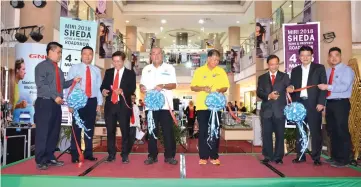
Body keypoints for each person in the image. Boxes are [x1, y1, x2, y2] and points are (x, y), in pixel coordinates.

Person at [34, 42, 81, 170]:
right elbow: (41, 84)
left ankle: (49, 156)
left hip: (56, 104)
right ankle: (40, 159)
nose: (60, 55)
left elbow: (62, 85)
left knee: (54, 132)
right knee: (43, 132)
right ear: (51, 51)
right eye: (59, 52)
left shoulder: (58, 69)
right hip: (45, 102)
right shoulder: (41, 67)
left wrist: (73, 81)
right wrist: (55, 97)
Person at [287, 45, 327, 166]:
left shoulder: (319, 68)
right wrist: (290, 87)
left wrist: (321, 103)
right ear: (299, 57)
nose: (305, 57)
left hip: (314, 104)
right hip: (300, 105)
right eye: (302, 55)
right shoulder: (295, 70)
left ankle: (316, 158)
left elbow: (323, 87)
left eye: (307, 55)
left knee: (315, 132)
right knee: (300, 131)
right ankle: (301, 156)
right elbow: (293, 85)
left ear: (312, 56)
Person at [190, 49, 230, 165]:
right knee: (203, 131)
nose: (216, 62)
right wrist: (203, 88)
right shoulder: (199, 71)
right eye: (214, 59)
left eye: (218, 60)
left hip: (216, 107)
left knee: (215, 131)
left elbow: (225, 87)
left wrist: (219, 90)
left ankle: (214, 156)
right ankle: (203, 156)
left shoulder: (221, 71)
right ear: (208, 59)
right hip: (202, 107)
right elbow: (193, 87)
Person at [140, 47, 178, 165]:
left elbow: (173, 85)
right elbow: (141, 84)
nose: (156, 56)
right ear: (150, 56)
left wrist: (163, 85)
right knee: (152, 131)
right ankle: (152, 156)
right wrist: (141, 88)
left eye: (158, 53)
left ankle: (169, 156)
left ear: (162, 55)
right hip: (151, 106)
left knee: (167, 131)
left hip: (165, 106)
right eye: (153, 54)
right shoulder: (146, 69)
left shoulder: (169, 68)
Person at [318, 47, 355, 167]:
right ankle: (335, 157)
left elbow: (344, 87)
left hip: (341, 103)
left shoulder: (347, 70)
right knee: (332, 130)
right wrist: (323, 104)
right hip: (330, 103)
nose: (334, 58)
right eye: (331, 56)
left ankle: (344, 159)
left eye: (336, 55)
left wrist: (328, 87)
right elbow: (323, 91)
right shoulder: (328, 71)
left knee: (341, 130)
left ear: (341, 56)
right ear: (328, 58)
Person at [67, 46, 103, 163]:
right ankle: (75, 154)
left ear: (92, 56)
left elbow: (98, 88)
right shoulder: (74, 68)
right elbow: (69, 86)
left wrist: (99, 102)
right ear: (81, 55)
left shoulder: (96, 70)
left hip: (92, 101)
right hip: (78, 101)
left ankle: (88, 153)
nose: (87, 56)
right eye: (85, 54)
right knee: (77, 128)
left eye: (90, 54)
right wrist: (70, 103)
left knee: (89, 128)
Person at [100, 51, 136, 164]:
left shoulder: (130, 73)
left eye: (119, 61)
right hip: (110, 106)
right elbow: (104, 86)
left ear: (123, 61)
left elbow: (132, 88)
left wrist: (123, 91)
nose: (116, 64)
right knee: (110, 131)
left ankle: (125, 154)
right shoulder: (109, 72)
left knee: (125, 131)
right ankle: (111, 154)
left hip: (123, 106)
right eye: (114, 61)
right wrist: (104, 91)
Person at [257, 55, 290, 164]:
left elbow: (290, 87)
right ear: (268, 65)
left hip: (279, 110)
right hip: (266, 111)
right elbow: (259, 92)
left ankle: (278, 157)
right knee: (266, 134)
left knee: (280, 135)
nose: (274, 66)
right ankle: (267, 156)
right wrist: (268, 96)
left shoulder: (284, 76)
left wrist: (291, 88)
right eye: (272, 64)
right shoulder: (262, 78)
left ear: (278, 64)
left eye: (276, 63)